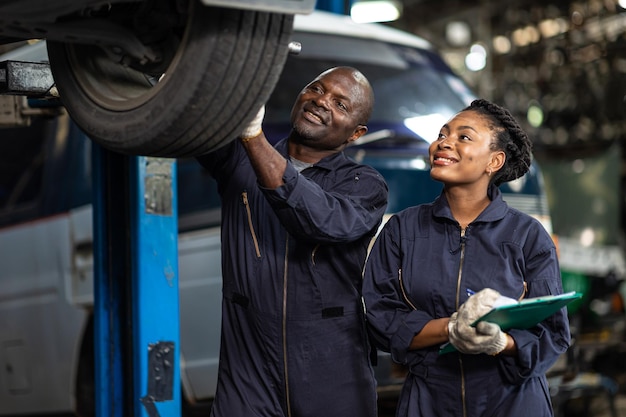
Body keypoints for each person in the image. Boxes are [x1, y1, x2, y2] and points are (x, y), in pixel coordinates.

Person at [196, 66, 388, 417]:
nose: (320, 101)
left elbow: (318, 221)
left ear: (356, 133)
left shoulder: (364, 184)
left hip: (332, 377)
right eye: (316, 88)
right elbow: (188, 122)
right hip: (248, 374)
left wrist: (254, 137)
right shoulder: (238, 159)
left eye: (340, 104)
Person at [362, 99, 571, 417]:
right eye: (443, 134)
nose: (444, 142)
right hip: (429, 401)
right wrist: (452, 328)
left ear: (494, 161)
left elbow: (553, 333)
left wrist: (501, 342)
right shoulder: (402, 230)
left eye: (464, 137)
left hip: (512, 401)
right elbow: (379, 318)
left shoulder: (528, 235)